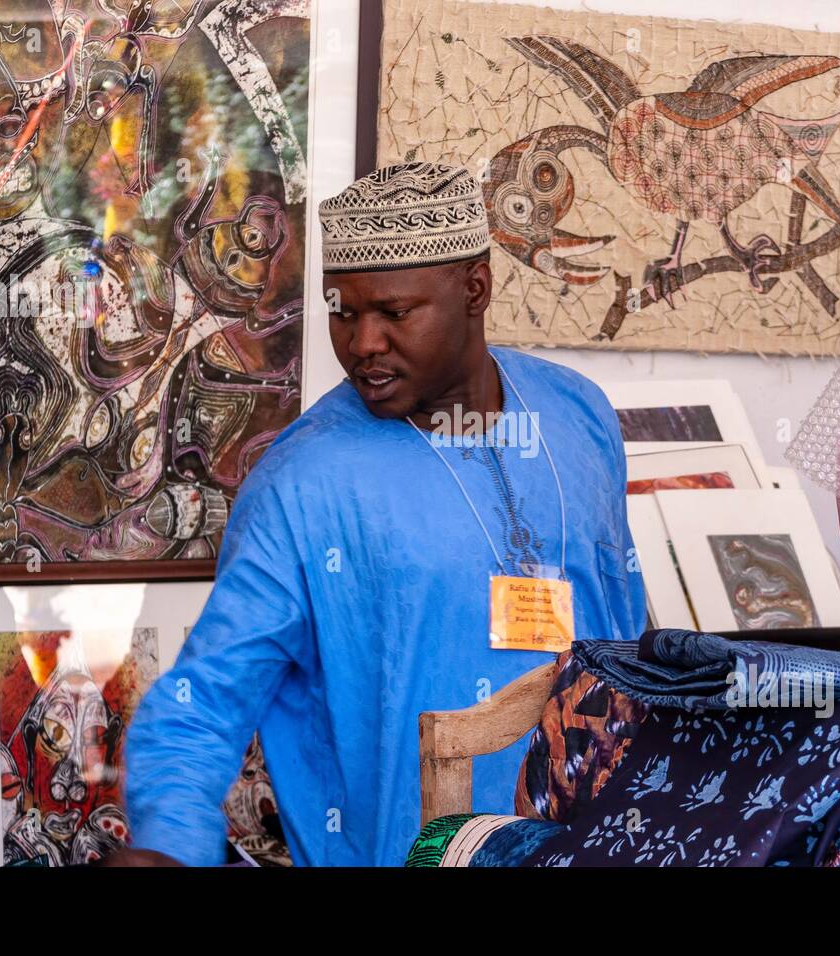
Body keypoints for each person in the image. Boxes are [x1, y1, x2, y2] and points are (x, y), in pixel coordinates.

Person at [113, 163, 646, 866]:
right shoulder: (302, 484)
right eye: (343, 311)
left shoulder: (580, 415)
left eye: (394, 314)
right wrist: (168, 844)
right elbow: (202, 705)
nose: (362, 343)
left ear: (475, 289)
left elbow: (633, 631)